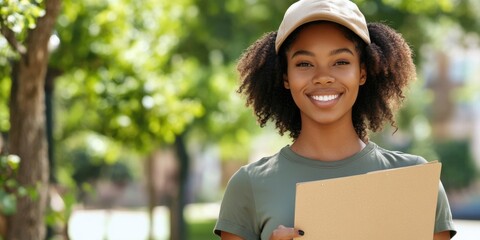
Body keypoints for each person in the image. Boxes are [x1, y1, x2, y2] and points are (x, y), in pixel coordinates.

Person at [214, 0, 457, 239]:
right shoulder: (248, 186)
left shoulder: (415, 181)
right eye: (304, 63)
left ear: (362, 72)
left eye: (340, 62)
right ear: (285, 76)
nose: (323, 77)